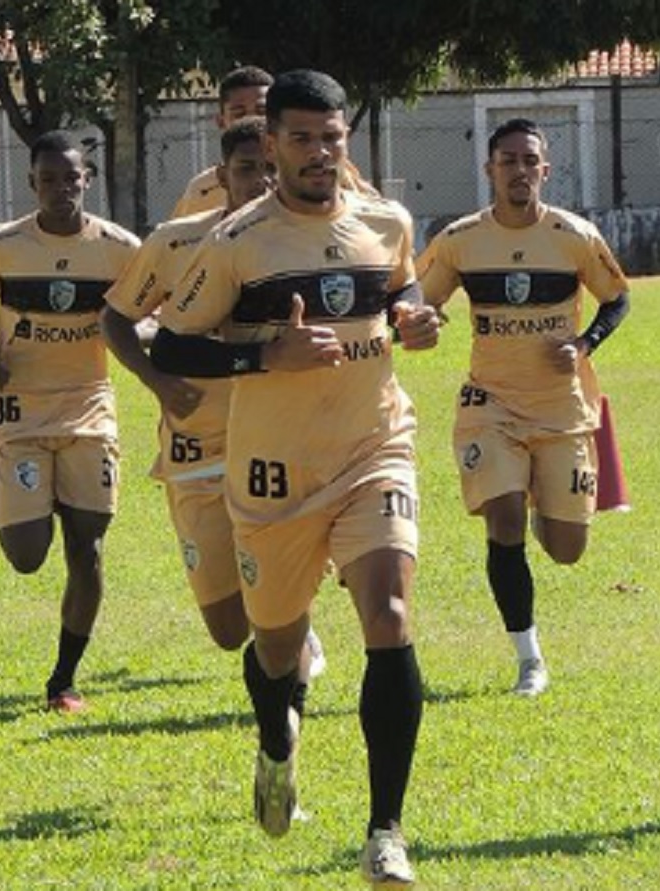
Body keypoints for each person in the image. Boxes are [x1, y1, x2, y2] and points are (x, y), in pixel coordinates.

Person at [150, 69, 439, 886]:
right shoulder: (238, 239)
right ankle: (278, 737)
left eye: (333, 138)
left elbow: (400, 286)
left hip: (373, 447)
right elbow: (172, 345)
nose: (320, 153)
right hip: (272, 470)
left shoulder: (387, 219)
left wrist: (415, 314)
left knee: (386, 612)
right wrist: (260, 354)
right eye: (303, 139)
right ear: (270, 142)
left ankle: (385, 831)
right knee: (274, 644)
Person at [100, 116, 326, 687]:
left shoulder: (301, 241)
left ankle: (293, 633)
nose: (261, 180)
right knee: (228, 631)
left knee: (280, 584)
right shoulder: (174, 241)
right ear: (222, 175)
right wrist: (156, 381)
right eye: (247, 169)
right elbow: (116, 318)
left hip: (276, 440)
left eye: (270, 168)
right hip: (194, 448)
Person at [417, 118, 631, 696]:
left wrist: (585, 343)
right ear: (489, 170)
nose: (519, 170)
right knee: (503, 521)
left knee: (565, 549)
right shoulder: (461, 239)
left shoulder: (575, 236)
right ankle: (529, 658)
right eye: (507, 160)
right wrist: (426, 320)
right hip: (491, 405)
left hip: (562, 409)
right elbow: (421, 301)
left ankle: (545, 491)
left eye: (528, 160)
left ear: (545, 169)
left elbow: (617, 298)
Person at [0, 130, 141, 713]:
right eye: (49, 179)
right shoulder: (3, 244)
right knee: (28, 554)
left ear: (87, 179)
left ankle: (63, 679)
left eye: (72, 178)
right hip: (22, 412)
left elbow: (145, 312)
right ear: (32, 182)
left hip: (89, 406)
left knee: (87, 551)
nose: (62, 189)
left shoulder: (120, 249)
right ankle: (40, 502)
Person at [170, 66, 272, 219]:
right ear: (221, 121)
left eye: (262, 111)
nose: (252, 119)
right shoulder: (201, 191)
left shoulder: (300, 182)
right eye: (239, 113)